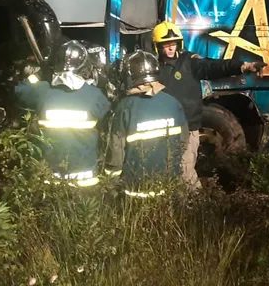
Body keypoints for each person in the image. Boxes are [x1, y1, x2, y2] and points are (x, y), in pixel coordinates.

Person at [152, 21, 261, 189]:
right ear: (157, 47)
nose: (171, 48)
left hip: (187, 128)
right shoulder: (152, 68)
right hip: (162, 130)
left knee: (185, 173)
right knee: (162, 172)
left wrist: (242, 66)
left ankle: (195, 201)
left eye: (174, 43)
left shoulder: (189, 62)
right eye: (166, 45)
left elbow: (213, 66)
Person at [14, 39, 111, 187]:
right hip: (85, 178)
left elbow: (19, 90)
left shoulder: (42, 92)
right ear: (84, 66)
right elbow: (107, 123)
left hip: (50, 177)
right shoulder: (95, 95)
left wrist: (38, 74)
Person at [103, 50, 189, 197]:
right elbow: (183, 141)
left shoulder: (124, 108)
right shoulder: (173, 103)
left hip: (136, 191)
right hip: (170, 188)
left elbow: (116, 151)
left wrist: (112, 185)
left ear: (129, 76)